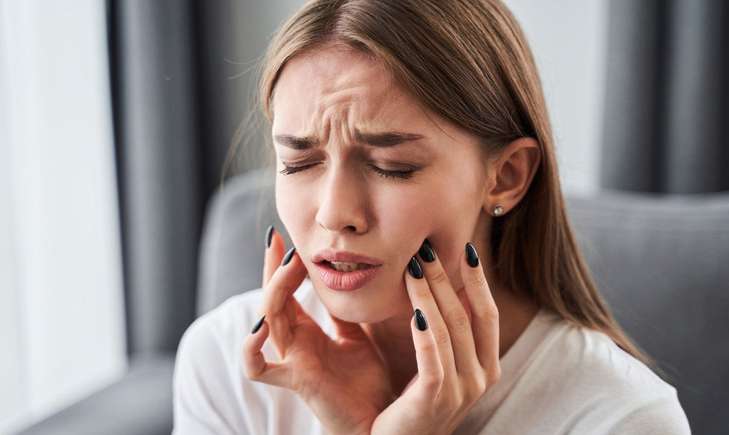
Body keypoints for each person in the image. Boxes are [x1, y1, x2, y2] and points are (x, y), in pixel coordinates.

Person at [172, 0, 692, 433]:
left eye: (391, 167)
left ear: (506, 176)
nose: (335, 214)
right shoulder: (225, 359)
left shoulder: (622, 418)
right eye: (299, 162)